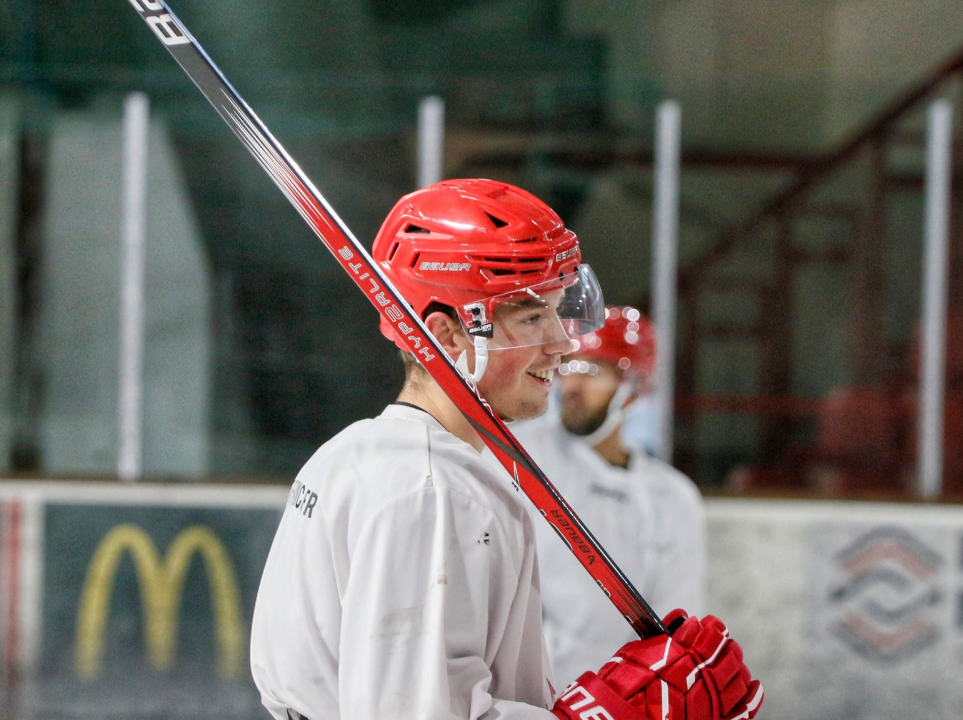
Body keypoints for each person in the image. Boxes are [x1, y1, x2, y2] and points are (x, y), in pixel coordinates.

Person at [249, 179, 760, 720]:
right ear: (445, 335)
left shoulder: (357, 453)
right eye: (532, 317)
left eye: (559, 310)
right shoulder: (430, 492)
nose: (562, 345)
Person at [510, 307, 707, 689]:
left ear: (634, 388)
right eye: (568, 367)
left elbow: (676, 629)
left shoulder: (672, 498)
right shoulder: (517, 457)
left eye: (593, 371)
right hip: (524, 700)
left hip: (621, 702)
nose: (571, 386)